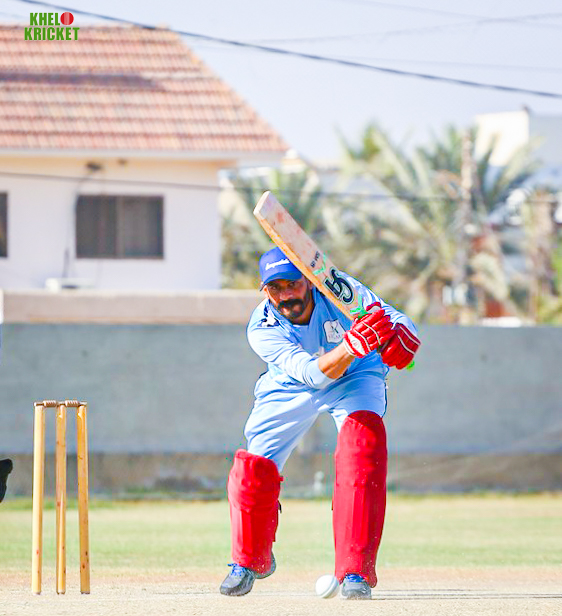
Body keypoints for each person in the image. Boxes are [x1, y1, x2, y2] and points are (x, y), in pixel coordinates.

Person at [220, 247, 420, 600]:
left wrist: (404, 333)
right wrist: (350, 347)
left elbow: (389, 316)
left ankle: (356, 570)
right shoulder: (262, 327)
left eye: (292, 284)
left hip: (355, 376)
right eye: (275, 288)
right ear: (264, 290)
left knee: (363, 447)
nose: (286, 295)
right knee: (252, 469)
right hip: (291, 385)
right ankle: (250, 560)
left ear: (310, 281)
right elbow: (313, 375)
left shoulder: (338, 288)